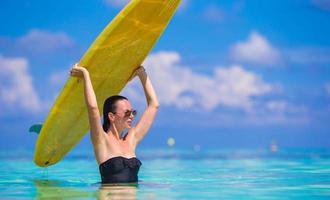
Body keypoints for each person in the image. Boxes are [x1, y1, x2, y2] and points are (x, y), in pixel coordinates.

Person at [69, 63, 159, 184]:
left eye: (133, 112)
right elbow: (93, 109)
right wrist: (85, 75)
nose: (131, 116)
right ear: (111, 116)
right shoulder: (101, 139)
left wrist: (141, 73)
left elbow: (154, 105)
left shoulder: (131, 139)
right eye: (127, 113)